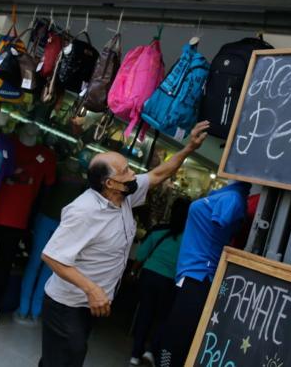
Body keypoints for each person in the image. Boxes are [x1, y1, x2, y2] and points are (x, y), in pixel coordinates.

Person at [38, 121, 210, 367]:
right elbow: (52, 256)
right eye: (127, 171)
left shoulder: (124, 195)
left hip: (88, 304)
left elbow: (159, 174)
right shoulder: (84, 211)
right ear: (109, 183)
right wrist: (93, 289)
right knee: (67, 359)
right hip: (67, 304)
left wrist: (189, 148)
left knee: (60, 359)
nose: (133, 174)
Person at [157, 180, 251, 367]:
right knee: (170, 335)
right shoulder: (226, 195)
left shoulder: (233, 198)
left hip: (200, 276)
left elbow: (222, 225)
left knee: (176, 339)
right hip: (190, 274)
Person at [128, 197, 191, 366]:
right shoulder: (189, 239)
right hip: (170, 281)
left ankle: (135, 355)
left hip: (149, 275)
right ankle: (151, 351)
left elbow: (141, 255)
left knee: (144, 314)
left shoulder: (158, 230)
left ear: (171, 211)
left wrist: (133, 272)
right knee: (164, 318)